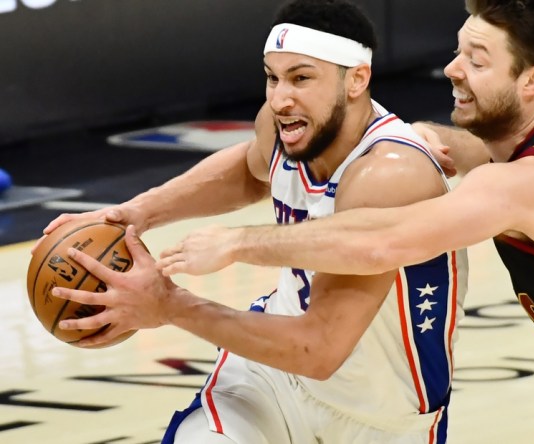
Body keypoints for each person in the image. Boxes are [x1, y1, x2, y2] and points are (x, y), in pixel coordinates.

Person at [150, 0, 534, 443]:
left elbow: (383, 240)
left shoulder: (530, 182)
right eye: (458, 51)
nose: (453, 68)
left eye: (477, 60)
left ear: (532, 79)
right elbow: (434, 142)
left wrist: (238, 242)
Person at [44, 0, 468, 442]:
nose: (281, 98)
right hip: (272, 380)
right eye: (272, 77)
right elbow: (251, 170)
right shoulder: (287, 123)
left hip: (381, 414)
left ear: (357, 79)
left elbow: (320, 349)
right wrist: (137, 213)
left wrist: (167, 303)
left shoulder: (391, 174)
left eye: (302, 77)